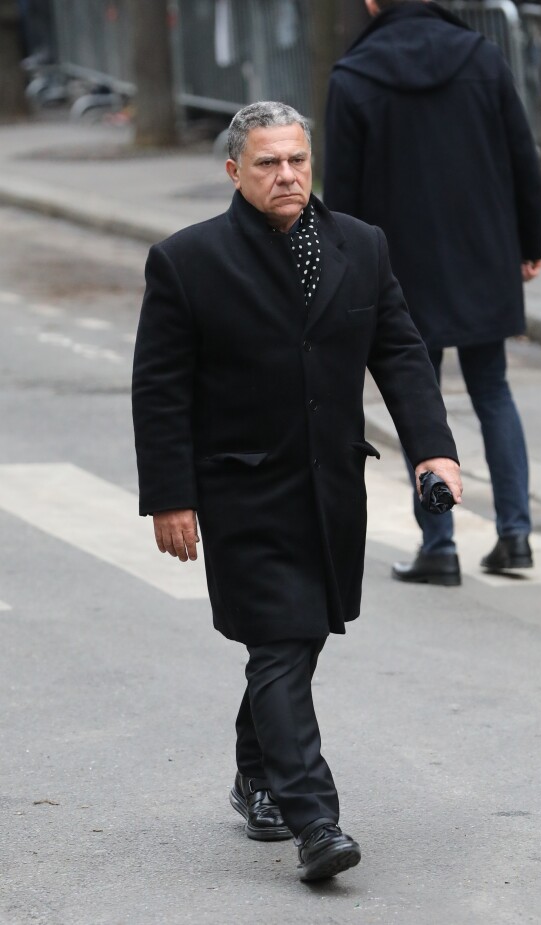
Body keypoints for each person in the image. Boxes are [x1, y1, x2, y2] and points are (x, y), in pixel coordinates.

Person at [132, 101, 461, 881]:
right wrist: (169, 496)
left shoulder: (361, 246)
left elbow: (403, 356)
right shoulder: (188, 260)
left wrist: (434, 453)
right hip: (241, 489)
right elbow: (160, 390)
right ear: (234, 171)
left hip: (332, 485)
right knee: (280, 641)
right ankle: (316, 819)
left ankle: (255, 773)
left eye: (296, 161)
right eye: (268, 163)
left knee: (296, 640)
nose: (286, 175)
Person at [323, 0, 541, 586]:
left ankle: (440, 544)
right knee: (492, 388)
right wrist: (530, 239)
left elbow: (343, 190)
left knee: (418, 396)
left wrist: (346, 270)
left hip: (401, 262)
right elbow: (522, 155)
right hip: (484, 250)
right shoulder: (483, 56)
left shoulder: (354, 74)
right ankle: (516, 534)